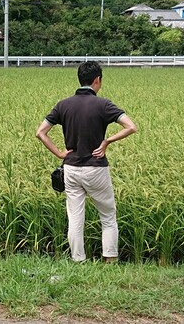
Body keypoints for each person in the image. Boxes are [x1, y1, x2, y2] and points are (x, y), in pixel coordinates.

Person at [36, 61, 137, 263]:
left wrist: (59, 153)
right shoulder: (104, 104)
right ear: (97, 80)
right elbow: (131, 127)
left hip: (71, 168)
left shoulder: (63, 105)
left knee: (75, 218)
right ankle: (109, 259)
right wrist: (107, 141)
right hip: (96, 168)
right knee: (107, 216)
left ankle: (78, 260)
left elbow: (40, 132)